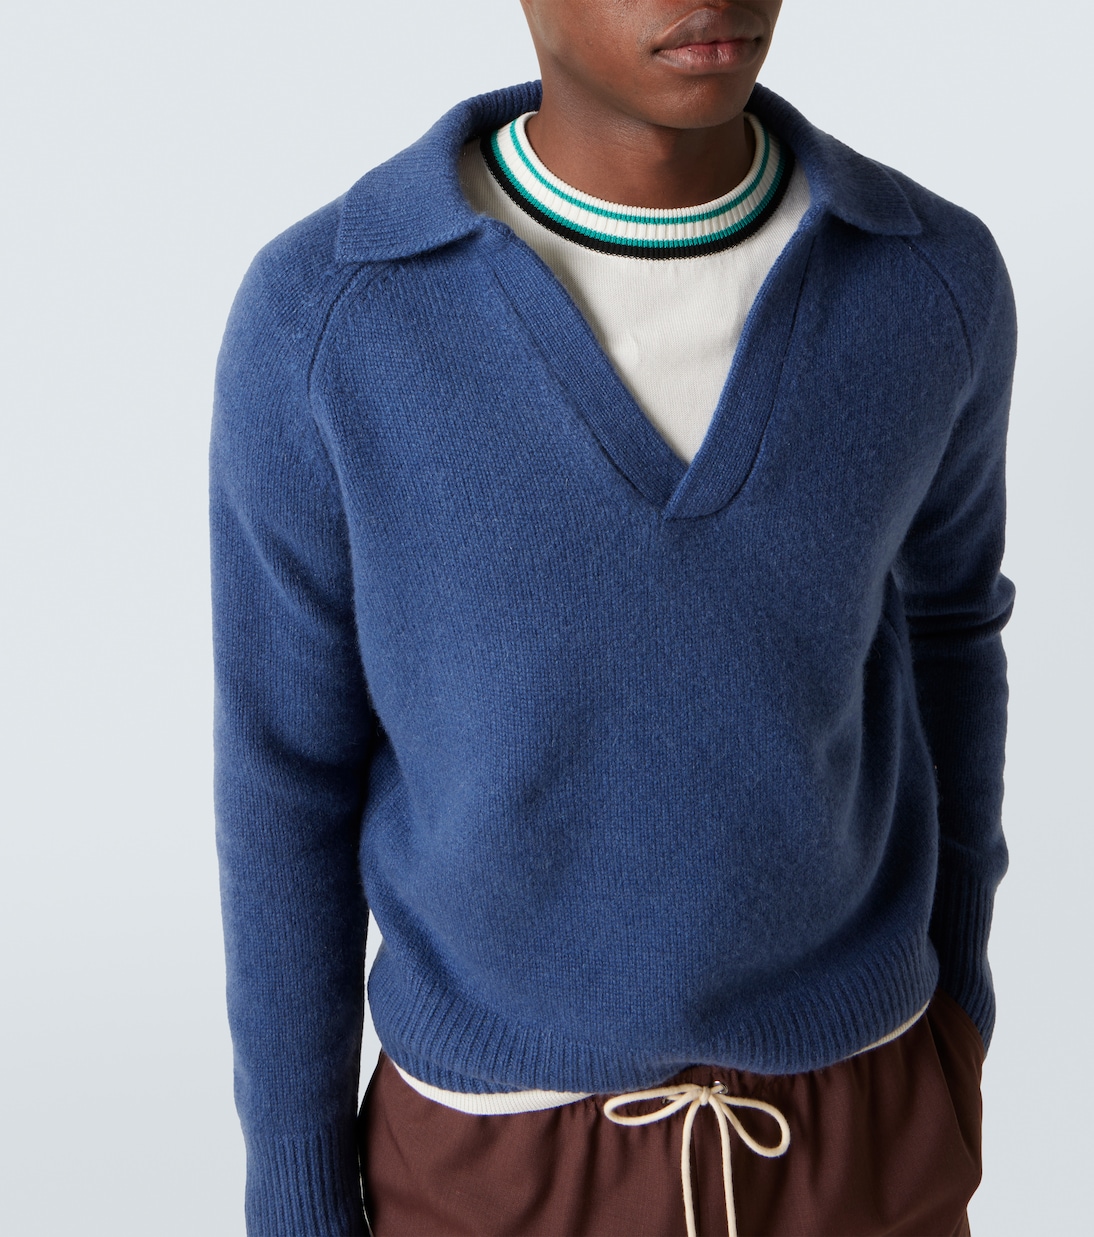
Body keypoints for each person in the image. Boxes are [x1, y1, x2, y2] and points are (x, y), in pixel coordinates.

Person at [210, 1, 1016, 1233]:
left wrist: (955, 1014)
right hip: (489, 1165)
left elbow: (953, 632)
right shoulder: (330, 316)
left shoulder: (925, 280)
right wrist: (295, 1189)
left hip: (863, 1131)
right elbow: (285, 775)